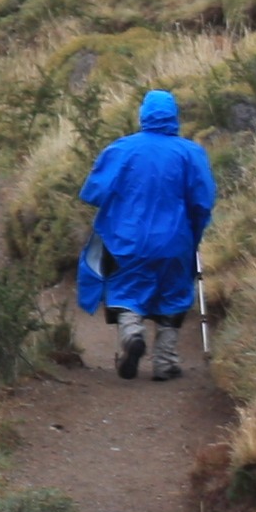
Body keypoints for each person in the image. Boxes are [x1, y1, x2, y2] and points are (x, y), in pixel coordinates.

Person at [78, 88, 216, 383]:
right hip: (174, 239)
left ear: (143, 115)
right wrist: (195, 232)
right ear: (174, 116)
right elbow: (202, 201)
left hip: (126, 239)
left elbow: (92, 192)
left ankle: (132, 333)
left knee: (126, 290)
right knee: (174, 294)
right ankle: (165, 361)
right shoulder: (190, 153)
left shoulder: (121, 149)